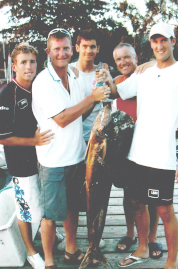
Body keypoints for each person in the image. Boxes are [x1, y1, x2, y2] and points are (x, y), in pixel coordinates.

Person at [96, 22, 178, 269]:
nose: (159, 45)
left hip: (161, 157)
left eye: (164, 40)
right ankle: (142, 249)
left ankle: (171, 263)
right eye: (155, 40)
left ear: (173, 41)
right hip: (135, 155)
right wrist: (107, 77)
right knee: (136, 205)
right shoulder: (145, 72)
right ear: (150, 43)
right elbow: (114, 92)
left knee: (164, 211)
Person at [32, 28, 110, 268]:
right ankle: (48, 261)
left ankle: (71, 250)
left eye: (66, 47)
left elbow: (81, 112)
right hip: (53, 160)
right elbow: (63, 118)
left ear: (71, 49)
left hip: (77, 156)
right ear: (48, 52)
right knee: (50, 215)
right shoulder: (43, 81)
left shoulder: (74, 76)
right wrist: (93, 98)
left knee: (72, 209)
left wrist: (100, 99)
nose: (62, 53)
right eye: (57, 48)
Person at [0, 43, 54, 269]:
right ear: (14, 66)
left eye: (32, 61)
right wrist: (32, 141)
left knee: (43, 202)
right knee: (24, 207)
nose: (28, 66)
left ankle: (49, 237)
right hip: (20, 163)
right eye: (23, 62)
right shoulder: (7, 94)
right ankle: (31, 252)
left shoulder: (40, 87)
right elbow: (2, 137)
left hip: (45, 159)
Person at [56, 29, 109, 252]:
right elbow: (69, 115)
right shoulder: (68, 73)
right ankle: (71, 243)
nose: (88, 50)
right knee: (73, 197)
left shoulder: (103, 71)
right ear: (77, 47)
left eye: (93, 46)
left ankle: (93, 240)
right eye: (84, 46)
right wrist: (92, 98)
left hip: (98, 145)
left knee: (98, 196)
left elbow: (108, 105)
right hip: (74, 143)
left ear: (98, 49)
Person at [113, 43, 163, 259]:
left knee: (151, 195)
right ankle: (130, 232)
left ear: (136, 58)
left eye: (127, 57)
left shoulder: (149, 75)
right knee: (129, 194)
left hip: (147, 144)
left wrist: (153, 63)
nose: (123, 62)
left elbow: (164, 66)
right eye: (118, 59)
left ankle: (151, 238)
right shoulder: (116, 83)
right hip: (124, 147)